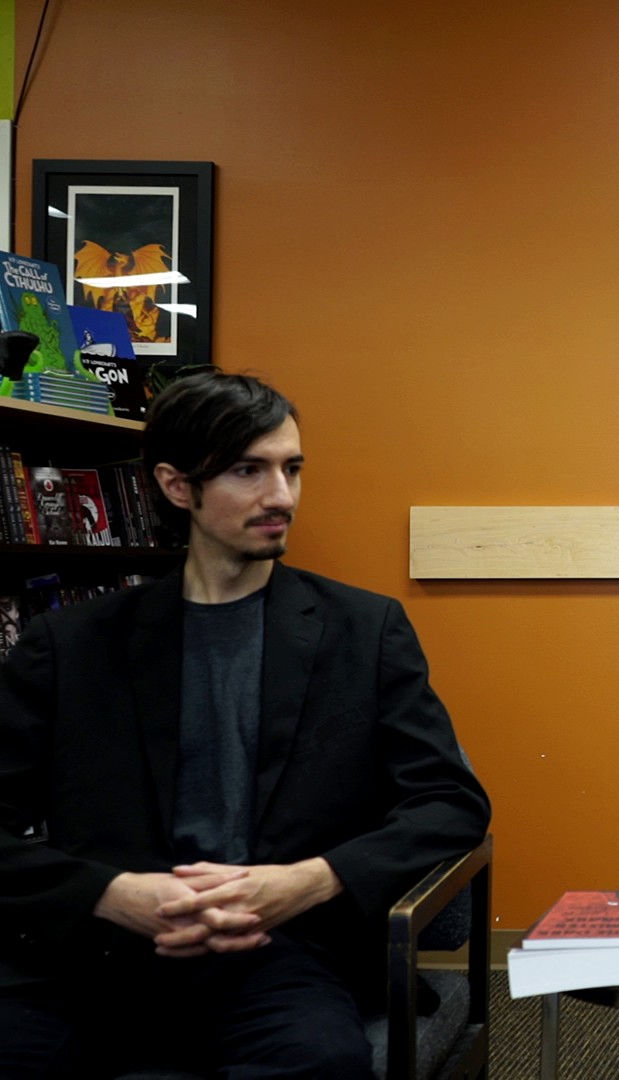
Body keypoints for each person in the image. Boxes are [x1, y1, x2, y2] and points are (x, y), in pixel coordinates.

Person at [0, 371, 491, 1079]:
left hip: (281, 952)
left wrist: (309, 882)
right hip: (98, 954)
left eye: (292, 469)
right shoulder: (69, 646)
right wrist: (112, 895)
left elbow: (450, 803)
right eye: (247, 471)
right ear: (177, 487)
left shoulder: (363, 630)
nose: (281, 495)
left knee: (318, 1065)